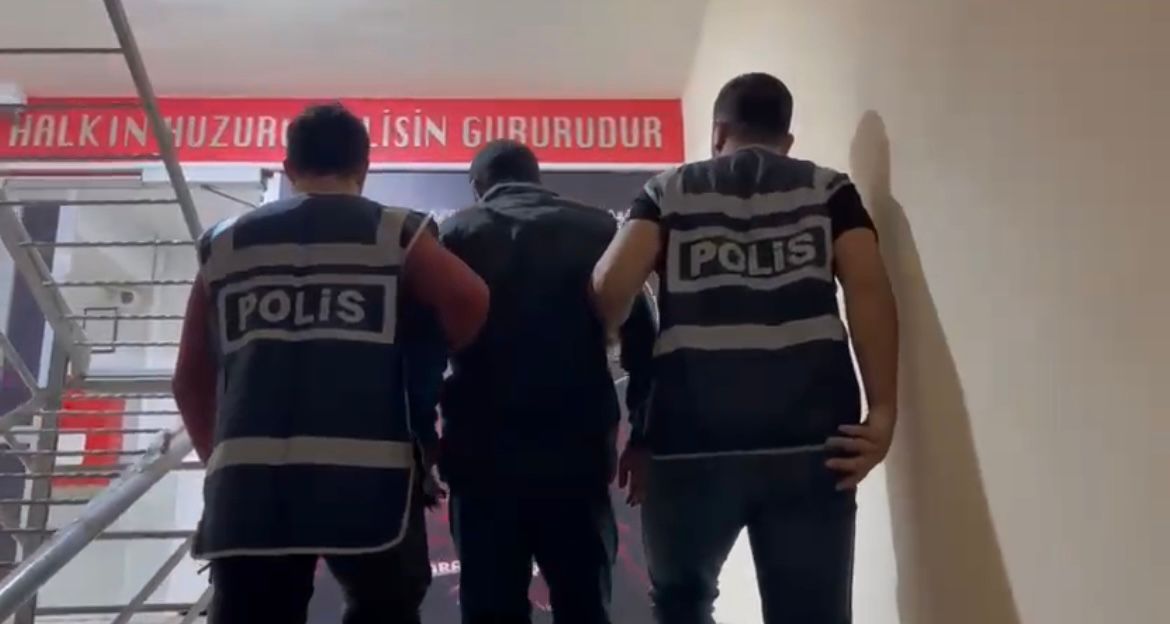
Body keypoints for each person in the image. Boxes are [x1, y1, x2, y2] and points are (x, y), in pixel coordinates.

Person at [591, 72, 900, 624]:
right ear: (787, 139)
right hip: (811, 439)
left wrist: (614, 338)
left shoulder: (670, 190)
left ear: (718, 132)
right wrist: (882, 412)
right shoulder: (829, 190)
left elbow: (611, 286)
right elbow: (869, 290)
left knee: (682, 603)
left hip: (691, 441)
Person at [172, 102, 489, 624]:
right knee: (383, 607)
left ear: (288, 167)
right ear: (363, 166)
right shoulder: (393, 231)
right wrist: (425, 351)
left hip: (250, 490)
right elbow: (470, 300)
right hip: (369, 482)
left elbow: (189, 380)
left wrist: (222, 460)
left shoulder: (224, 243)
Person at [436, 140, 656, 624]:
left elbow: (419, 345)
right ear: (537, 179)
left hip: (482, 458)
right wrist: (643, 436)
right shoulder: (599, 229)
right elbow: (645, 338)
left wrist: (419, 440)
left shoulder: (451, 235)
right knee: (584, 605)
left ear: (477, 186)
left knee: (490, 610)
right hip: (575, 456)